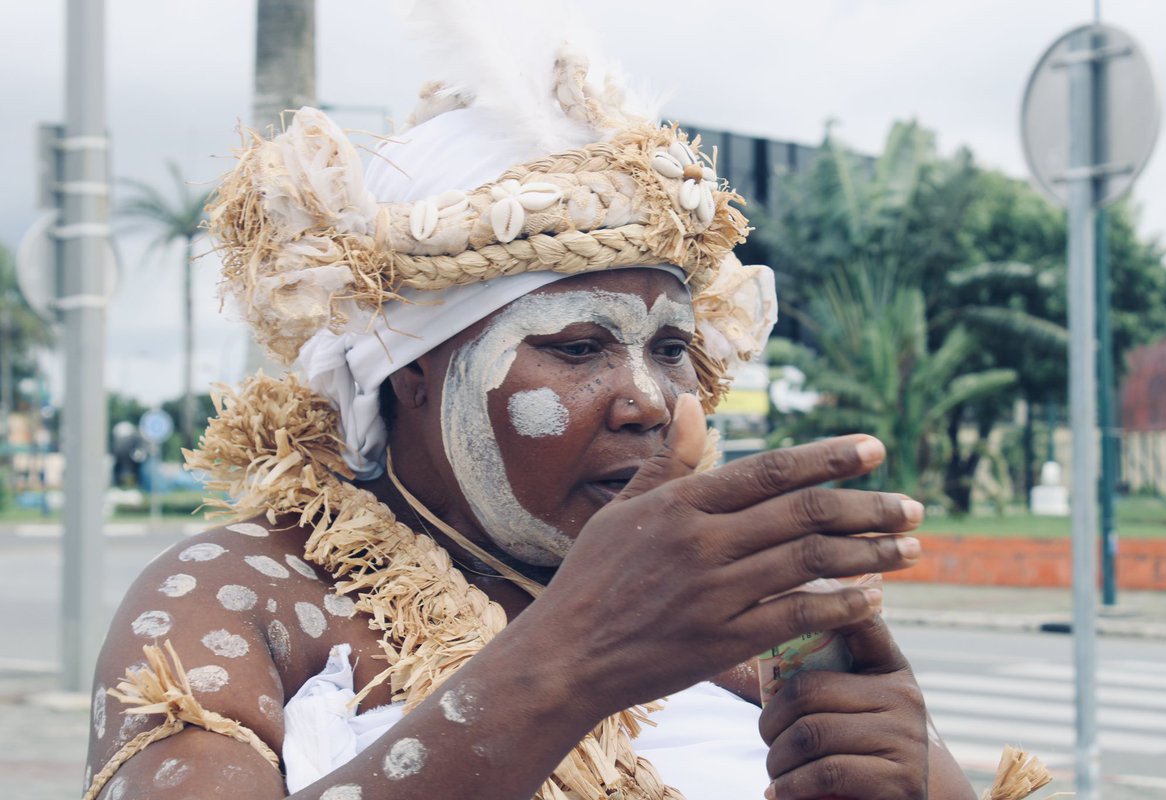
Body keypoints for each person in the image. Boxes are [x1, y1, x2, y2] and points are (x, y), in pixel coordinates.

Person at [82, 12, 1043, 800]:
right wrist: (573, 661)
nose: (650, 403)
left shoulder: (742, 616)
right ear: (410, 373)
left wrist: (922, 783)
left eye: (672, 348)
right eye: (578, 347)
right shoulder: (243, 595)